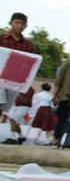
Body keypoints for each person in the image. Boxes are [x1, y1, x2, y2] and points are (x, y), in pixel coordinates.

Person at [1, 13, 39, 141]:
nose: (19, 26)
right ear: (11, 23)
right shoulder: (2, 39)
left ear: (26, 26)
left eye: (22, 24)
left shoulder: (29, 46)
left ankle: (15, 136)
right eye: (17, 22)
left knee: (4, 108)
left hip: (15, 82)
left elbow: (32, 65)